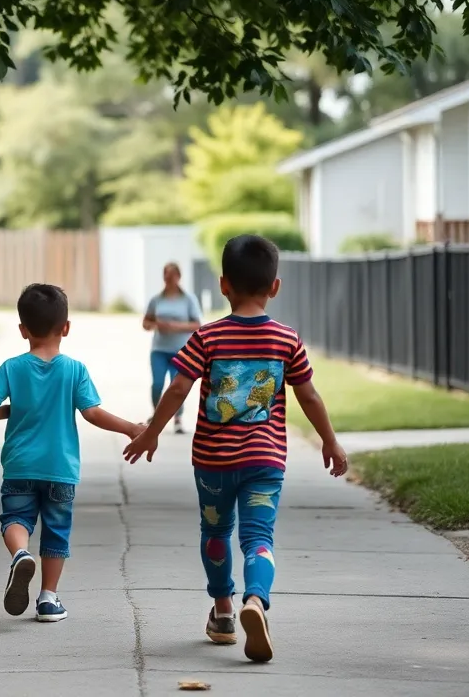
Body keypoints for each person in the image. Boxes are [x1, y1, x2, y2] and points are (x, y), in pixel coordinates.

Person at [124, 235, 348, 663]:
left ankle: (224, 612)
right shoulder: (286, 339)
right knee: (258, 537)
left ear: (224, 285)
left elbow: (178, 388)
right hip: (265, 462)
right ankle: (256, 602)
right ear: (275, 286)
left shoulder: (207, 337)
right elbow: (310, 397)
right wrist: (330, 441)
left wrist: (153, 430)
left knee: (215, 533)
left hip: (213, 463)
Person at [0, 284, 145, 623]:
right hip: (60, 468)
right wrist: (130, 428)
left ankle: (21, 554)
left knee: (15, 520)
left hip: (19, 465)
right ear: (65, 328)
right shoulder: (74, 370)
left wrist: (12, 411)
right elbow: (93, 413)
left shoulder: (13, 367)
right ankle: (48, 599)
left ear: (23, 330)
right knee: (56, 533)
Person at [143, 262, 203, 435]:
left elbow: (197, 324)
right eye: (166, 276)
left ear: (178, 277)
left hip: (180, 350)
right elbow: (146, 323)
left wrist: (175, 326)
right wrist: (156, 325)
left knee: (176, 386)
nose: (168, 280)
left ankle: (177, 418)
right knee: (158, 384)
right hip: (159, 349)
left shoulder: (188, 299)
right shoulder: (156, 300)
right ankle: (157, 413)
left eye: (172, 276)